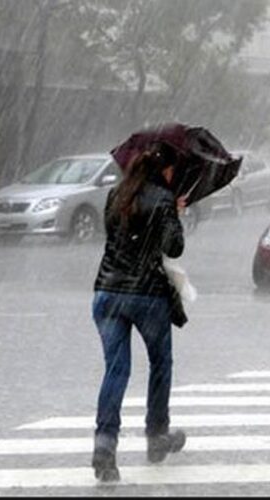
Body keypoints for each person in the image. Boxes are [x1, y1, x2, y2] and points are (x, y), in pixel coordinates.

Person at [91, 141, 188, 482]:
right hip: (146, 296)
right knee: (160, 363)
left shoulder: (115, 195)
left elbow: (115, 238)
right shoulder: (163, 199)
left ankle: (104, 447)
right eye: (173, 170)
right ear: (166, 170)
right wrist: (174, 214)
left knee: (115, 371)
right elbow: (173, 247)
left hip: (106, 293)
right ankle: (156, 436)